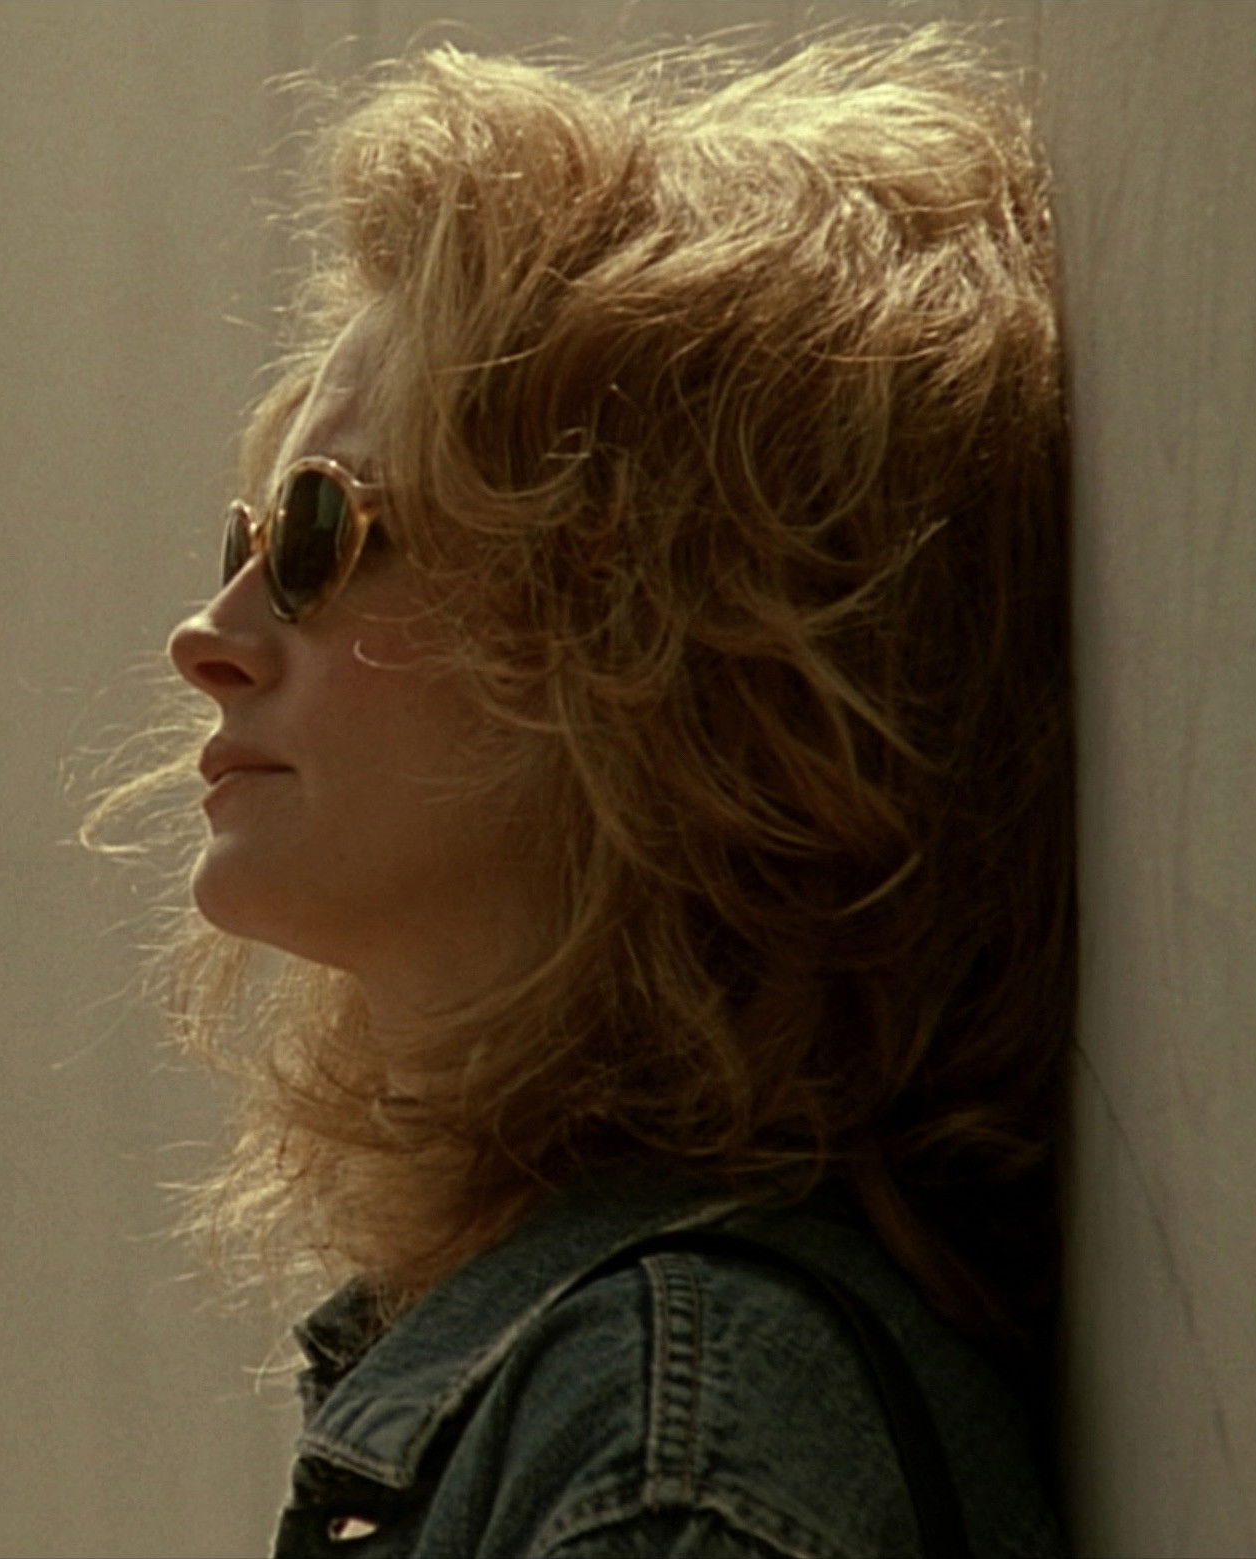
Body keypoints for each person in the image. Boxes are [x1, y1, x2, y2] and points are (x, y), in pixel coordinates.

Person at [104, 26, 1073, 1557]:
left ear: (653, 635)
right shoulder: (612, 1370)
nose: (209, 636)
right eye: (246, 543)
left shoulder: (671, 1436)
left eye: (317, 533)